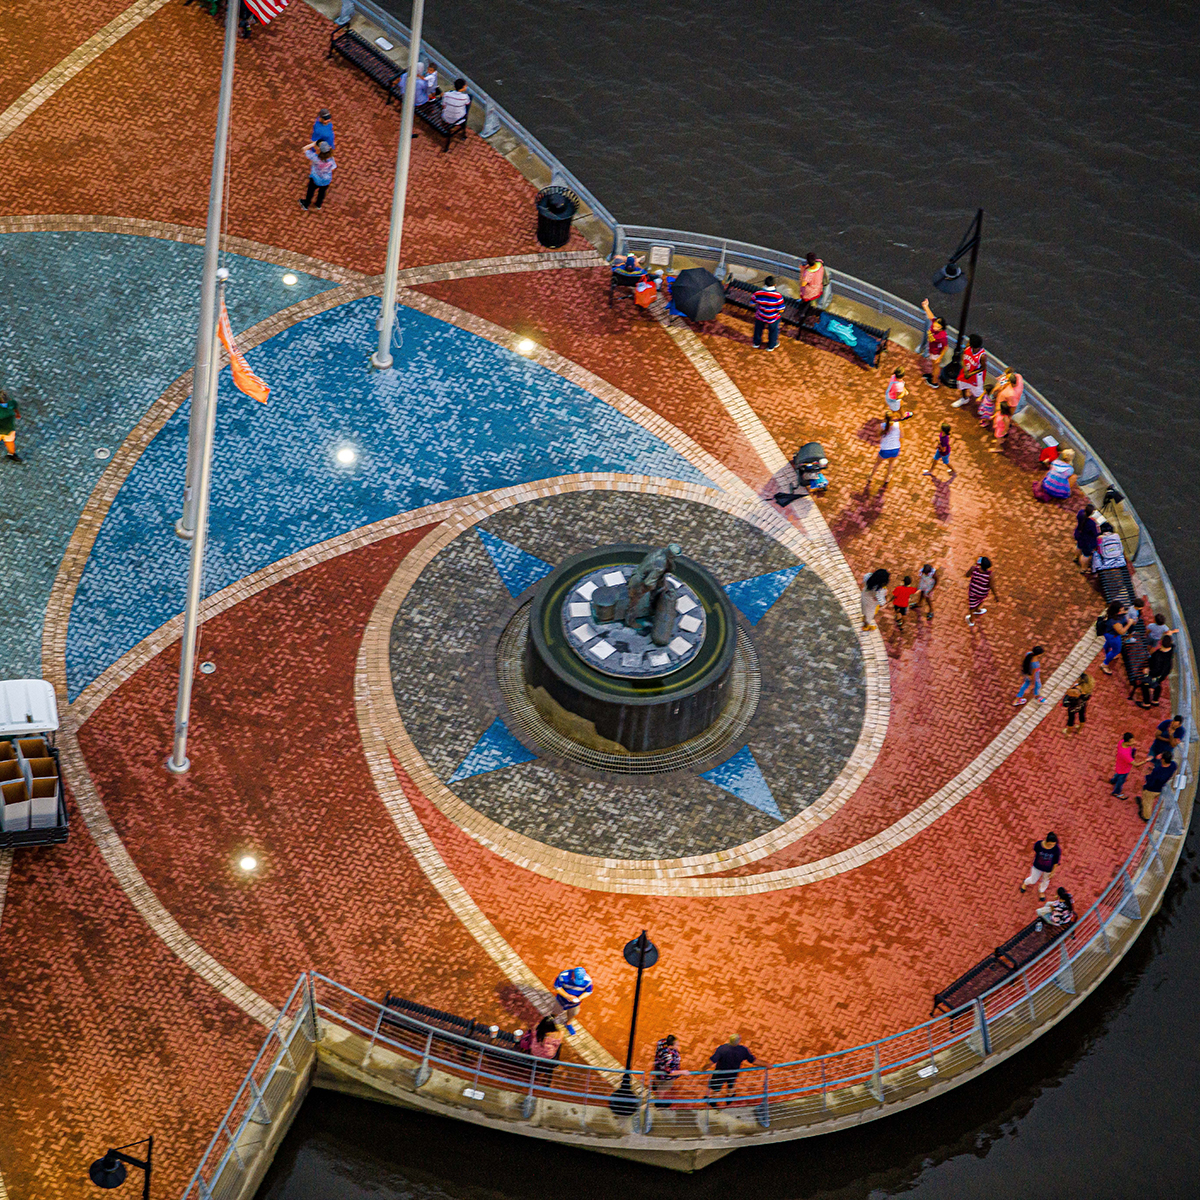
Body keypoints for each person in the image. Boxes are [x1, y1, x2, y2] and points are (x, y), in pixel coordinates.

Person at [704, 1035, 756, 1107]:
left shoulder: (722, 1049)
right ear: (739, 1041)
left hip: (720, 1073)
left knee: (716, 1088)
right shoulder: (743, 1050)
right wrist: (767, 1065)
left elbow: (711, 1062)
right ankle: (729, 1098)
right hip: (733, 1073)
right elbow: (753, 1060)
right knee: (730, 1086)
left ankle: (713, 1101)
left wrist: (703, 1068)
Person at [867, 409, 914, 487]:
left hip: (885, 449)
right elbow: (902, 435)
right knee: (891, 463)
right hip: (895, 448)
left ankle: (871, 477)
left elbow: (878, 436)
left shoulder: (882, 426)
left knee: (878, 463)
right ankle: (887, 478)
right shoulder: (898, 425)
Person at [552, 966, 592, 1035]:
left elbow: (588, 992)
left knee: (573, 1013)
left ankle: (568, 1023)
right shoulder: (563, 976)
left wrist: (579, 998)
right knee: (556, 1011)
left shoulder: (588, 980)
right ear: (573, 974)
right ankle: (551, 1021)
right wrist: (567, 996)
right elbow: (557, 987)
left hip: (574, 1004)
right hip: (561, 1000)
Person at [1021, 832, 1061, 899]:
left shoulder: (1056, 849)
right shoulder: (1038, 844)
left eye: (1054, 844)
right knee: (1033, 880)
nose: (1052, 846)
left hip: (1048, 869)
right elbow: (1036, 851)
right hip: (1037, 866)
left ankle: (1041, 891)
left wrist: (1053, 871)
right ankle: (1025, 883)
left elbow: (1056, 861)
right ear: (1046, 841)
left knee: (1045, 881)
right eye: (1051, 844)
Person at [1139, 752, 1178, 821]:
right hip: (1161, 787)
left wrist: (1147, 776)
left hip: (1152, 789)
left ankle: (1146, 817)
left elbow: (1151, 782)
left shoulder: (1157, 771)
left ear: (1163, 760)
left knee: (1148, 803)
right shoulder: (1173, 765)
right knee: (1148, 801)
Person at [1099, 600, 1134, 676]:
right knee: (1117, 650)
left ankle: (1108, 654)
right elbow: (1121, 632)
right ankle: (1105, 664)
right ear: (1116, 611)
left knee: (1108, 644)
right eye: (1121, 610)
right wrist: (1129, 624)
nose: (1123, 611)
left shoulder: (1112, 614)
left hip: (1108, 634)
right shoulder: (1115, 621)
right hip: (1113, 636)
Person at [951, 334, 986, 408]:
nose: (968, 342)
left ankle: (983, 406)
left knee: (978, 393)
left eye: (969, 341)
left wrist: (971, 374)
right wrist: (965, 368)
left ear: (973, 345)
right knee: (962, 385)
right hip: (966, 371)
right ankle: (964, 399)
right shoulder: (967, 347)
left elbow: (983, 368)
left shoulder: (982, 356)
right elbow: (962, 355)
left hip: (976, 376)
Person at [920, 298, 949, 388]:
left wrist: (940, 358)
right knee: (933, 365)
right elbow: (931, 316)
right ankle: (933, 376)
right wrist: (926, 306)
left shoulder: (942, 336)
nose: (934, 327)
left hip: (936, 353)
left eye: (937, 327)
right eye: (935, 325)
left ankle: (934, 382)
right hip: (932, 349)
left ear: (941, 328)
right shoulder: (934, 325)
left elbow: (946, 347)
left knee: (936, 366)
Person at [300, 139, 336, 211]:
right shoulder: (331, 159)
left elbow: (304, 149)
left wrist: (313, 144)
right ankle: (318, 205)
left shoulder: (316, 158)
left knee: (310, 191)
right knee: (322, 193)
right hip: (326, 180)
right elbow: (334, 167)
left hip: (315, 178)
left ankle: (306, 204)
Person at [752, 276, 785, 350]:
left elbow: (752, 302)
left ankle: (756, 343)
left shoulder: (758, 293)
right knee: (773, 331)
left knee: (758, 329)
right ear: (775, 285)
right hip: (772, 317)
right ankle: (771, 345)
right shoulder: (778, 296)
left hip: (761, 315)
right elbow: (781, 309)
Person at [528, 1016, 563, 1084]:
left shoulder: (537, 1030)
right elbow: (558, 1043)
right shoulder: (556, 1035)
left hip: (534, 1052)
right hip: (547, 1056)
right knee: (559, 1046)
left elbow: (533, 1032)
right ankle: (556, 1063)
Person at [651, 1034, 685, 1105]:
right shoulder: (668, 1057)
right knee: (663, 1088)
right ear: (670, 1046)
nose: (678, 1046)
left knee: (657, 1077)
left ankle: (654, 1085)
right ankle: (659, 1102)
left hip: (658, 1068)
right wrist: (683, 1072)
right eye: (676, 1045)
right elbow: (670, 1072)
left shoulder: (662, 1042)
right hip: (666, 1077)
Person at [965, 556, 996, 628]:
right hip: (982, 593)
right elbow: (992, 586)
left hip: (973, 591)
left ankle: (971, 620)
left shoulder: (974, 569)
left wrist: (974, 567)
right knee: (980, 601)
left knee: (971, 606)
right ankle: (977, 609)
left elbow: (967, 575)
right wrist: (995, 595)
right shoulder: (990, 575)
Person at [797, 252, 826, 324]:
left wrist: (802, 271)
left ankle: (802, 315)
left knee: (805, 303)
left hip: (809, 292)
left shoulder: (808, 273)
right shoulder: (820, 265)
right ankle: (807, 311)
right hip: (818, 288)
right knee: (809, 302)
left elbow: (803, 283)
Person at [1109, 732, 1140, 798]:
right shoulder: (1126, 755)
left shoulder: (1121, 742)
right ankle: (1116, 792)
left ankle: (1113, 781)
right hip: (1124, 769)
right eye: (1132, 741)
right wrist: (1146, 761)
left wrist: (1131, 745)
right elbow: (1136, 764)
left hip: (1119, 765)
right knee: (1121, 780)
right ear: (1127, 743)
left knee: (1118, 774)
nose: (1134, 742)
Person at [1147, 634, 1175, 705]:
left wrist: (1149, 672)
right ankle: (1155, 699)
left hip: (1156, 673)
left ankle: (1149, 696)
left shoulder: (1157, 655)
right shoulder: (1172, 649)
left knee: (1151, 682)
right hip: (1165, 671)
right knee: (1158, 683)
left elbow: (1154, 667)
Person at [1073, 503, 1100, 573]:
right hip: (1087, 541)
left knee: (1078, 546)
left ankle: (1076, 557)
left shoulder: (1080, 513)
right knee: (1085, 555)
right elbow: (1095, 533)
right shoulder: (1091, 524)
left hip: (1080, 536)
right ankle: (1083, 568)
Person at [0, 386, 20, 463]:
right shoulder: (11, 403)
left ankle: (11, 454)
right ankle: (11, 454)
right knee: (10, 442)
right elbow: (15, 407)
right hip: (9, 428)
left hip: (6, 429)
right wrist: (17, 414)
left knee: (10, 442)